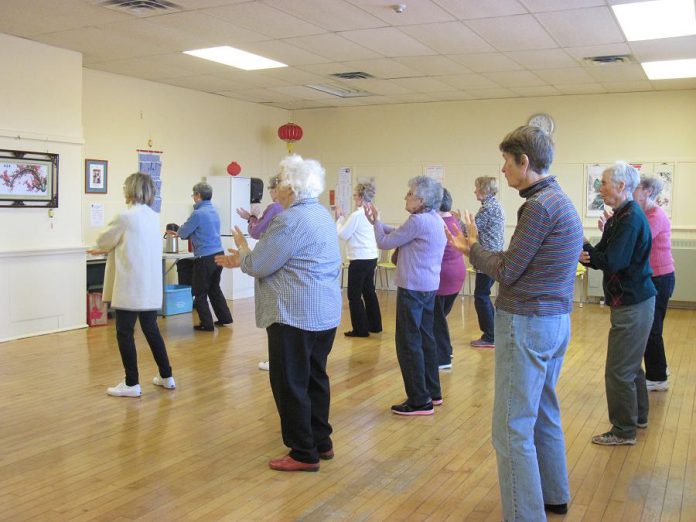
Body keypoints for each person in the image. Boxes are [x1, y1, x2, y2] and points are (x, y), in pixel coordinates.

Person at [447, 126, 582, 520]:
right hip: (553, 321)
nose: (503, 169)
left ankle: (525, 515)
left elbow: (507, 270)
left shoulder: (538, 207)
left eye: (507, 162)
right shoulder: (559, 200)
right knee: (543, 411)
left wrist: (472, 248)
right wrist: (478, 249)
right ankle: (553, 497)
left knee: (511, 429)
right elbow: (521, 261)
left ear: (525, 162)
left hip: (527, 324)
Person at [215, 155, 341, 472]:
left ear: (291, 186)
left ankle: (303, 452)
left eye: (278, 182)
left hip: (294, 314)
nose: (275, 189)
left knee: (290, 382)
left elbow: (259, 264)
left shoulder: (289, 220)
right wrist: (246, 258)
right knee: (315, 378)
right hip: (322, 312)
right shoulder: (321, 215)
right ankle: (320, 441)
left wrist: (243, 251)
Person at [582, 162, 656, 446]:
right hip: (632, 301)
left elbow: (612, 261)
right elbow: (602, 252)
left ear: (621, 186)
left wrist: (587, 252)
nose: (600, 188)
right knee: (631, 365)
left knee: (618, 371)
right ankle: (639, 417)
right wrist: (586, 250)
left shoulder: (630, 218)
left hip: (633, 304)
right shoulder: (620, 216)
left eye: (603, 183)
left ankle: (623, 430)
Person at [364, 176, 446, 416]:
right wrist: (380, 224)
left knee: (408, 343)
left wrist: (376, 221)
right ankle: (432, 392)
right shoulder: (432, 219)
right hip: (428, 286)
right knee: (425, 339)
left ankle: (419, 400)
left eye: (409, 193)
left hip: (413, 288)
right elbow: (400, 233)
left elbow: (384, 242)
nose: (406, 197)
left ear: (421, 200)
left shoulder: (417, 221)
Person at [90, 172, 175, 398]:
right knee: (151, 330)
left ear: (130, 190)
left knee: (125, 332)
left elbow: (103, 241)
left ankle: (132, 383)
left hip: (130, 285)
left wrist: (104, 246)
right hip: (149, 285)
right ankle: (167, 376)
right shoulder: (153, 216)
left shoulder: (125, 217)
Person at [236, 175, 284, 371]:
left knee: (275, 319)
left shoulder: (274, 208)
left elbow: (256, 232)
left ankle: (276, 361)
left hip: (271, 262)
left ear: (275, 190)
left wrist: (251, 220)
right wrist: (252, 217)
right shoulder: (294, 209)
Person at [173, 182, 233, 332]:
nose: (193, 197)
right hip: (219, 254)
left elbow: (183, 233)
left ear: (198, 195)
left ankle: (207, 324)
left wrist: (179, 231)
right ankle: (225, 318)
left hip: (204, 257)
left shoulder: (198, 213)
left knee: (199, 292)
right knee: (214, 288)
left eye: (193, 194)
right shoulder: (213, 210)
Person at [336, 181, 382, 338]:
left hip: (359, 259)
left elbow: (342, 234)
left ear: (361, 197)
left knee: (354, 295)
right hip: (371, 257)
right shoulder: (373, 212)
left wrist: (339, 219)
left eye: (355, 195)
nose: (353, 197)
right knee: (369, 291)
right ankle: (375, 325)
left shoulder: (357, 215)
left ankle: (360, 329)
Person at [469, 176, 505, 348]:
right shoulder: (493, 206)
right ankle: (493, 333)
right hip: (492, 256)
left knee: (481, 296)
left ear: (484, 190)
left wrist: (452, 220)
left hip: (487, 258)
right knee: (483, 295)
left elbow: (471, 230)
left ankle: (490, 336)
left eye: (477, 188)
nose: (475, 191)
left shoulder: (487, 209)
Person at [434, 188, 466, 370]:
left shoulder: (437, 222)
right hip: (456, 274)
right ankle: (447, 350)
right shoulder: (454, 220)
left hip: (443, 276)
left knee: (435, 319)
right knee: (439, 317)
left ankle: (443, 358)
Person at [236, 175, 283, 240]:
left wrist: (252, 217)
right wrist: (250, 217)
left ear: (275, 190)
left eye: (270, 189)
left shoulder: (274, 208)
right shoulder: (293, 207)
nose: (270, 192)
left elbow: (257, 233)